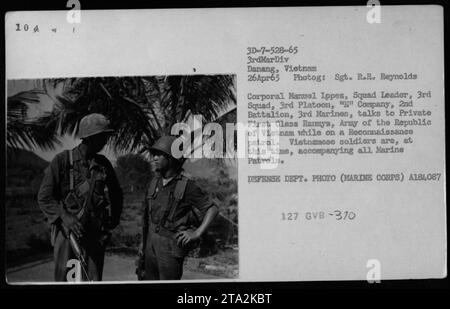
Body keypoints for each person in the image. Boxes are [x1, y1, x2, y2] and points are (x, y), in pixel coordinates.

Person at [38, 113, 123, 281]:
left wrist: (114, 219)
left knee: (92, 278)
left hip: (94, 234)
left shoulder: (103, 164)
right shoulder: (62, 161)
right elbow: (45, 197)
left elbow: (116, 193)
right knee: (66, 279)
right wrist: (64, 216)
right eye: (103, 137)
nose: (106, 141)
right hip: (68, 233)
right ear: (90, 138)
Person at [137, 135, 218, 280]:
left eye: (159, 155)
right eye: (153, 154)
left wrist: (196, 233)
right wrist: (142, 246)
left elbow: (211, 209)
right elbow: (146, 218)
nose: (154, 158)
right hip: (150, 244)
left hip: (170, 247)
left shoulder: (187, 186)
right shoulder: (154, 183)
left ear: (171, 158)